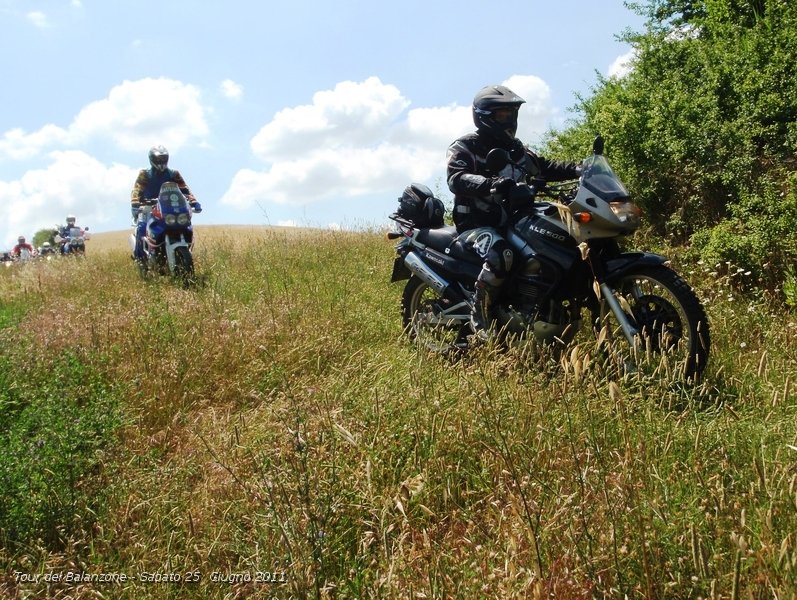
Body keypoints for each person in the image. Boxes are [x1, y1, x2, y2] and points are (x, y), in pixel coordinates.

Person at [447, 84, 581, 339]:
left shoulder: (516, 149)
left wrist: (579, 169)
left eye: (511, 114)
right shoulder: (465, 147)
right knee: (500, 254)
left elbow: (543, 166)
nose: (509, 120)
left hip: (515, 221)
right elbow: (457, 178)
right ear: (484, 117)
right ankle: (480, 316)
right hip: (476, 224)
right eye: (502, 115)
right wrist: (491, 184)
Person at [130, 145, 202, 259]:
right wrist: (135, 203)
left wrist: (193, 202)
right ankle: (140, 259)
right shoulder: (145, 174)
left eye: (163, 159)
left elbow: (184, 189)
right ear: (152, 159)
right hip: (148, 207)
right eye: (158, 159)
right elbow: (137, 189)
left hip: (169, 207)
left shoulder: (174, 174)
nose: (161, 162)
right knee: (142, 228)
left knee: (185, 224)